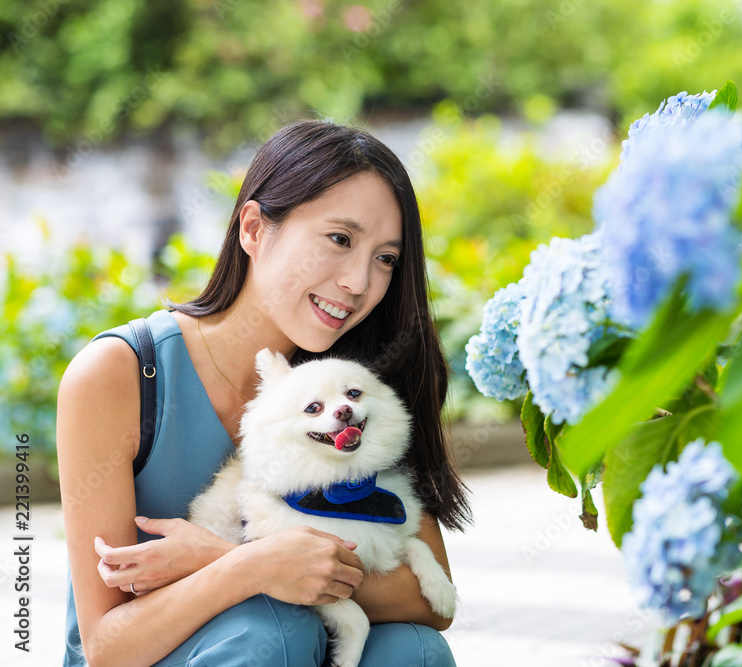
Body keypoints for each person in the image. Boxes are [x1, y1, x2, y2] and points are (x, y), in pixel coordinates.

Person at [56, 120, 471, 666]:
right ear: (253, 228)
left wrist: (228, 555)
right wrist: (250, 567)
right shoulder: (120, 373)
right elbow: (106, 647)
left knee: (411, 651)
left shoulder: (353, 385)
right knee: (272, 632)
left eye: (385, 258)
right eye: (340, 239)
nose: (359, 282)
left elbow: (428, 600)